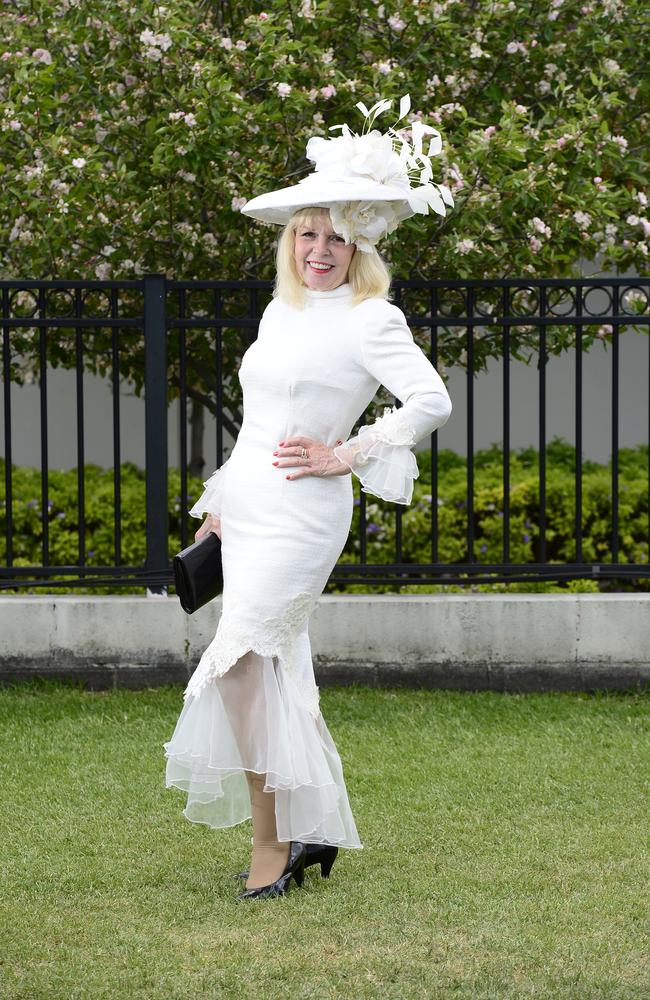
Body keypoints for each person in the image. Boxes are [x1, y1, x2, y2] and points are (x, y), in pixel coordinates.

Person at [163, 94, 454, 901]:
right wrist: (220, 501)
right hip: (251, 501)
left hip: (304, 512)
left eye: (334, 235)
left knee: (240, 665)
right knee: (275, 671)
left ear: (357, 244)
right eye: (306, 231)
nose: (318, 248)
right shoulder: (280, 308)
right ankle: (311, 827)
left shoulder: (371, 317)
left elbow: (432, 402)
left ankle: (274, 840)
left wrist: (346, 453)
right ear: (291, 238)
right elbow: (260, 420)